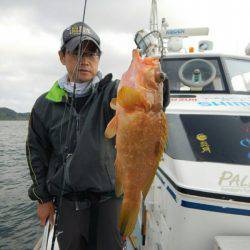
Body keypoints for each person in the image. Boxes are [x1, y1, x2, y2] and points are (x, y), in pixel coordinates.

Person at [26, 21, 170, 250]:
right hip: (67, 201)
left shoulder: (112, 92)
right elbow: (36, 153)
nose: (84, 60)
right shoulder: (44, 105)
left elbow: (153, 105)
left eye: (91, 53)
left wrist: (159, 79)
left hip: (109, 198)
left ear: (99, 59)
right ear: (62, 57)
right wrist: (43, 199)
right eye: (76, 52)